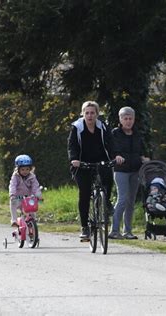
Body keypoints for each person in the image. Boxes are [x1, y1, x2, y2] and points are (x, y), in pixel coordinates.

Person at [67, 101, 124, 240]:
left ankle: (106, 202)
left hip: (100, 160)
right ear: (83, 114)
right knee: (85, 193)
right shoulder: (77, 127)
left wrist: (116, 155)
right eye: (87, 113)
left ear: (97, 114)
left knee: (108, 178)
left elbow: (111, 143)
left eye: (93, 113)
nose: (90, 115)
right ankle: (85, 227)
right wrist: (74, 159)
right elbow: (72, 145)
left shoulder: (103, 126)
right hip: (82, 163)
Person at [109, 107, 150, 240]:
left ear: (134, 119)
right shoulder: (115, 133)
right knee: (122, 198)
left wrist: (145, 158)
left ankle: (127, 231)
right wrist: (116, 156)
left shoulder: (137, 134)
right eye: (125, 118)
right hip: (121, 170)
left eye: (130, 118)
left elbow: (143, 150)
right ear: (120, 119)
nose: (128, 121)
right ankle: (114, 230)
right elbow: (111, 150)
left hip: (135, 170)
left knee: (131, 201)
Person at [9, 154, 42, 227]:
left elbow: (35, 187)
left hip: (28, 197)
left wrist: (38, 195)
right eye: (22, 169)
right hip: (18, 197)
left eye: (27, 169)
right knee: (13, 203)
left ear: (30, 169)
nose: (25, 171)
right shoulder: (15, 176)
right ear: (18, 169)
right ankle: (14, 220)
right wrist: (12, 194)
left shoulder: (32, 177)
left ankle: (33, 224)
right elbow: (12, 185)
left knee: (32, 210)